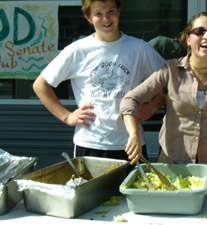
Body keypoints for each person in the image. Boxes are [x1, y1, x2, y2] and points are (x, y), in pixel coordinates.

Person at [33, 0, 165, 172]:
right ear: (88, 17)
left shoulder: (139, 48)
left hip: (131, 144)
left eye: (111, 11)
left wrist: (153, 107)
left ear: (119, 11)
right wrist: (66, 116)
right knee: (91, 197)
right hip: (90, 143)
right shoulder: (77, 50)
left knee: (132, 196)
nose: (106, 19)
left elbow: (169, 80)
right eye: (98, 14)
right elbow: (40, 85)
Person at [120, 12, 207, 185]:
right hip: (171, 163)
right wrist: (133, 133)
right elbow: (130, 100)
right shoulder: (170, 71)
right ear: (188, 39)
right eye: (199, 31)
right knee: (170, 210)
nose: (206, 36)